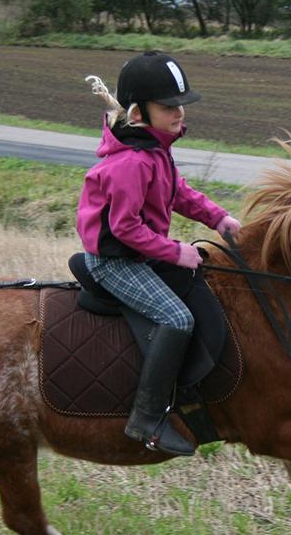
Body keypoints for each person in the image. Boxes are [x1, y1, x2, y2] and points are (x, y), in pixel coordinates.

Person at [77, 51, 241, 456]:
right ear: (137, 112)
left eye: (180, 105)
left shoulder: (155, 151)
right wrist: (175, 252)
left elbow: (178, 194)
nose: (179, 113)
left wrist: (219, 219)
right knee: (176, 318)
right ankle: (147, 418)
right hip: (116, 262)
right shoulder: (130, 163)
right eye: (168, 106)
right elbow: (125, 228)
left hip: (141, 254)